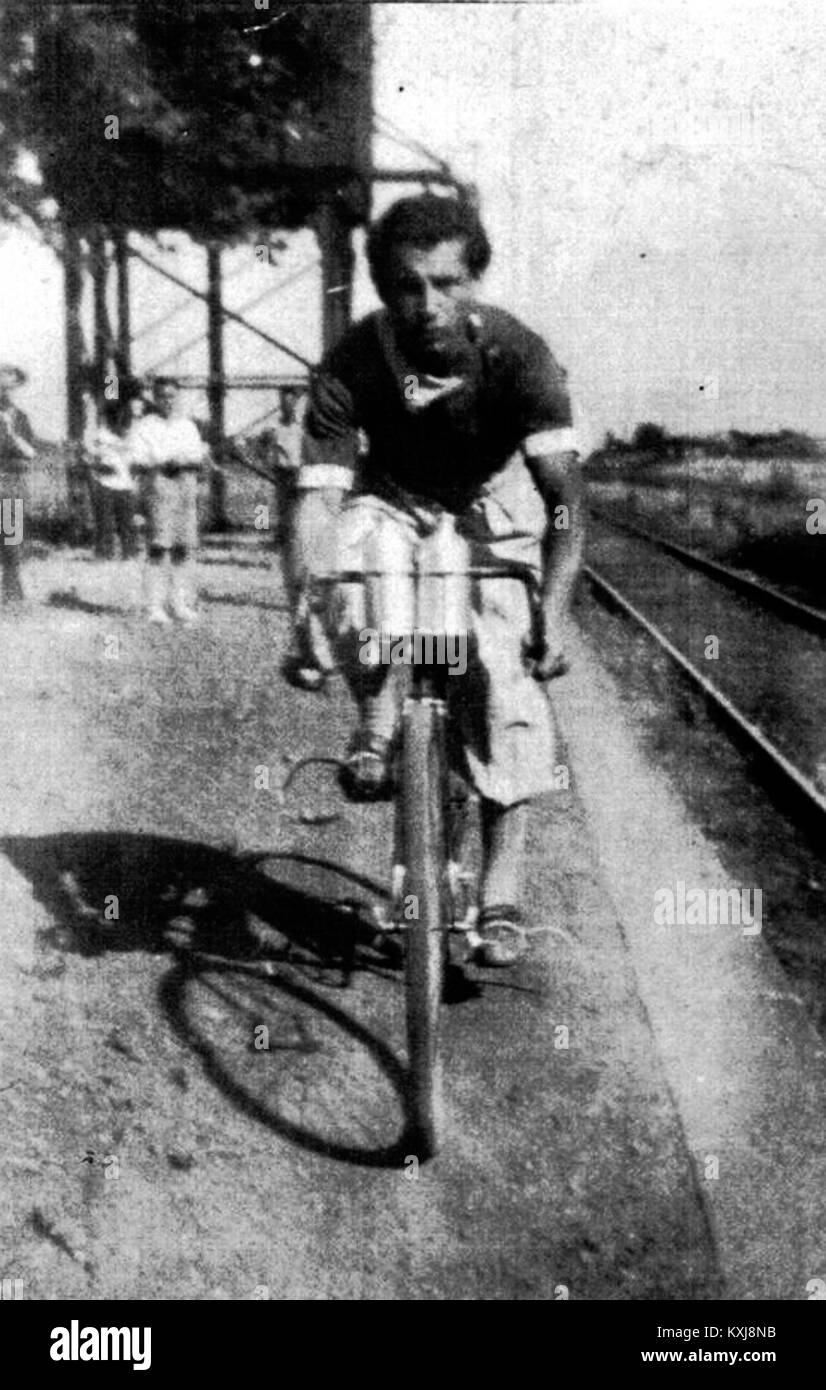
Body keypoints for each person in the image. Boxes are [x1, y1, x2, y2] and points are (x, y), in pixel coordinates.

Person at [289, 192, 583, 967]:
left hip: (492, 505)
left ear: (475, 280)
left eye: (448, 283)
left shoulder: (522, 357)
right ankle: (378, 716)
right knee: (356, 561)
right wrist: (306, 612)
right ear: (384, 287)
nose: (429, 303)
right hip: (392, 496)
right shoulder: (352, 360)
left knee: (502, 682)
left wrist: (550, 613)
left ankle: (502, 890)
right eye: (409, 285)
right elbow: (319, 500)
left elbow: (564, 507)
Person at [130, 376, 208, 624]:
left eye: (172, 396)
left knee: (183, 549)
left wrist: (185, 461)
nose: (167, 401)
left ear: (178, 398)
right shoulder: (145, 426)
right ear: (155, 398)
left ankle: (179, 603)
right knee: (158, 548)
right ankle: (154, 606)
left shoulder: (188, 426)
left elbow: (197, 457)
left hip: (185, 488)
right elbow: (138, 460)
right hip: (159, 486)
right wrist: (163, 461)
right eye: (162, 396)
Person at [87, 379, 144, 560]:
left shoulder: (132, 426)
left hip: (123, 480)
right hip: (106, 480)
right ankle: (105, 552)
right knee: (104, 521)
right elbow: (90, 442)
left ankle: (128, 552)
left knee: (126, 520)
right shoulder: (102, 428)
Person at [0, 363, 36, 606]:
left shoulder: (20, 418)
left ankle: (12, 594)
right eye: (3, 387)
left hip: (12, 482)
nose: (7, 392)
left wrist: (12, 433)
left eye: (12, 388)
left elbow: (31, 452)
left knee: (12, 539)